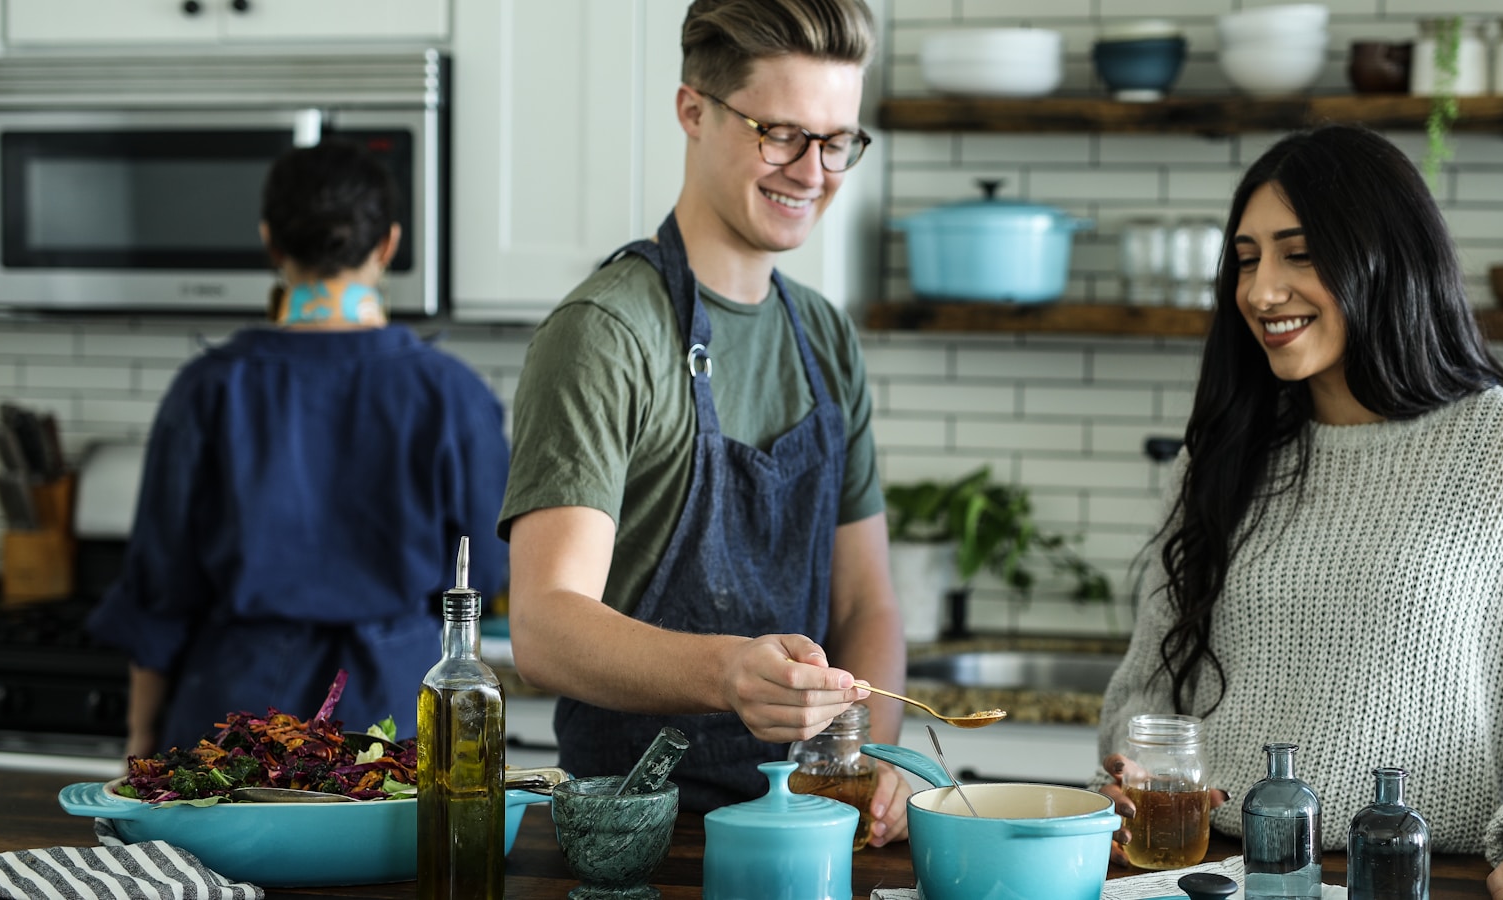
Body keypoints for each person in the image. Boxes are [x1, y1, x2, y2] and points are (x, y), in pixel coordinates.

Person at [1094, 124, 1503, 900]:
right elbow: (1146, 695)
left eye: (1300, 253)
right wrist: (1133, 768)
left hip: (1423, 879)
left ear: (1386, 257)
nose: (1260, 291)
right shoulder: (1219, 461)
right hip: (1213, 878)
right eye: (1248, 259)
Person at [497, 0, 909, 842]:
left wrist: (877, 756)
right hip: (641, 841)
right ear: (693, 110)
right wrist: (728, 672)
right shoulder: (606, 334)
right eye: (781, 133)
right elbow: (542, 625)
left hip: (810, 828)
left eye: (838, 142)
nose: (812, 171)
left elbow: (867, 600)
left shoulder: (825, 336)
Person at [87, 139, 510, 758]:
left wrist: (141, 737)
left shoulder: (208, 388)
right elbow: (488, 572)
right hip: (398, 715)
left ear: (270, 243)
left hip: (234, 714)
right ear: (389, 245)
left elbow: (160, 592)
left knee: (204, 862)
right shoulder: (453, 395)